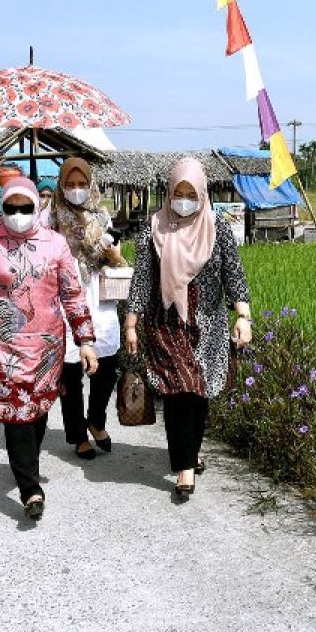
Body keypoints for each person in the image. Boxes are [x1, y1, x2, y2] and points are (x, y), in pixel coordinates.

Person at [0, 177, 98, 519]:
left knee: (37, 411)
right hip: (2, 347)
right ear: (2, 208)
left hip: (46, 347)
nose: (17, 214)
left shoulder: (56, 245)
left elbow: (72, 295)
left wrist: (85, 341)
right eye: (10, 208)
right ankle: (30, 488)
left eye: (25, 208)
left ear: (37, 207)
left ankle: (27, 460)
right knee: (16, 413)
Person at [125, 158, 252, 496]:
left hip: (207, 325)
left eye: (190, 193)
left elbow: (234, 275)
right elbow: (142, 278)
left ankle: (191, 452)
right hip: (166, 323)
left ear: (202, 192)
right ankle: (184, 469)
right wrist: (132, 323)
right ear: (169, 193)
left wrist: (243, 316)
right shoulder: (154, 227)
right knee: (179, 392)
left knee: (198, 393)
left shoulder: (218, 227)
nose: (184, 199)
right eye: (178, 192)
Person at [45, 158, 126, 460]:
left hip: (98, 296)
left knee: (106, 367)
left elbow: (114, 257)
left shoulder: (102, 216)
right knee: (70, 371)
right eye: (70, 184)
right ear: (61, 185)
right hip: (63, 297)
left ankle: (96, 420)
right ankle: (78, 434)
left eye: (82, 184)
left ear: (91, 185)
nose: (76, 190)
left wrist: (115, 256)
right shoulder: (49, 218)